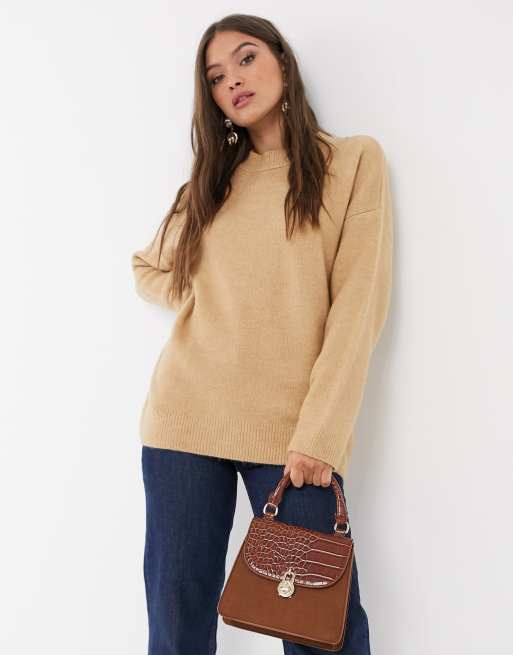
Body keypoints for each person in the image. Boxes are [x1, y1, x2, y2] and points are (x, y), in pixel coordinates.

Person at [131, 13, 393, 655]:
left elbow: (358, 307)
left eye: (246, 59)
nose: (233, 81)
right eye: (216, 77)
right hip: (185, 422)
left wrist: (320, 435)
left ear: (282, 60)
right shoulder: (210, 186)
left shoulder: (351, 162)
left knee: (322, 633)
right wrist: (207, 297)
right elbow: (148, 268)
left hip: (295, 437)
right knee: (177, 622)